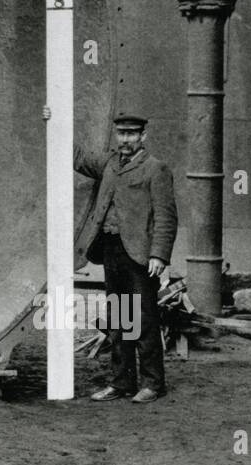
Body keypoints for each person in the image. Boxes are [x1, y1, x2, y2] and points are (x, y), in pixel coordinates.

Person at [74, 113, 178, 403]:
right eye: (121, 134)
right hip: (110, 250)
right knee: (119, 318)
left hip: (140, 256)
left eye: (132, 134)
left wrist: (159, 255)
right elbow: (78, 156)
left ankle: (153, 384)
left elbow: (166, 217)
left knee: (143, 319)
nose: (126, 139)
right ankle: (122, 383)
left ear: (143, 137)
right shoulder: (109, 164)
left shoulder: (156, 169)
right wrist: (52, 120)